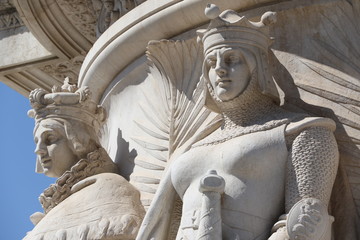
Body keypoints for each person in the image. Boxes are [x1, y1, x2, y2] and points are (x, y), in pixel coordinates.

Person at [137, 6, 339, 240]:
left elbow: (305, 220)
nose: (220, 69)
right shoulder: (190, 148)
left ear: (259, 68)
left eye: (232, 59)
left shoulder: (302, 133)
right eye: (212, 63)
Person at [25, 80, 145, 240]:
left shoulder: (107, 186)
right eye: (37, 142)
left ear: (77, 140)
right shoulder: (62, 198)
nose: (38, 149)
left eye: (50, 139)